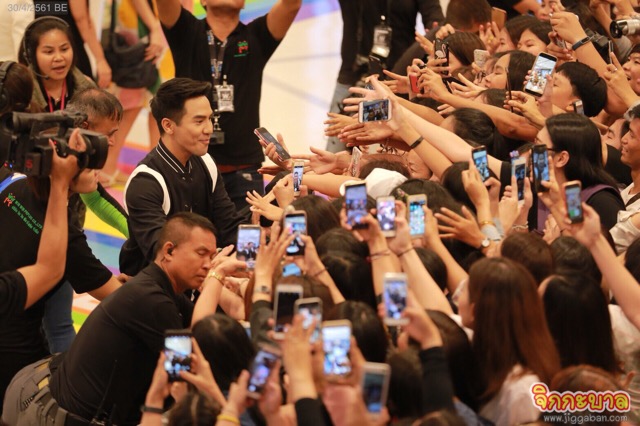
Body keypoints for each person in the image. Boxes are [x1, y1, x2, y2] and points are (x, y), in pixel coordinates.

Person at [3, 212, 244, 425]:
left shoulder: (162, 286)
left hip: (59, 398)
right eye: (201, 254)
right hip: (63, 417)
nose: (208, 264)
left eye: (212, 257)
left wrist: (240, 283)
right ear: (169, 251)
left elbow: (230, 316)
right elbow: (191, 355)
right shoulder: (151, 299)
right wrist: (216, 276)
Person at [156, 0, 302, 210]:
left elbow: (291, 5)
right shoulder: (186, 31)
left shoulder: (256, 36)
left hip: (242, 170)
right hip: (188, 168)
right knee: (189, 231)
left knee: (248, 231)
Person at [120, 78, 247, 276]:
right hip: (157, 288)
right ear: (168, 126)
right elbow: (163, 256)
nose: (209, 129)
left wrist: (257, 251)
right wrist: (218, 266)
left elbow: (229, 226)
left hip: (201, 276)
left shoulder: (206, 162)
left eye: (210, 119)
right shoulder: (145, 183)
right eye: (199, 121)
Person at [18, 16, 96, 113]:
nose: (59, 58)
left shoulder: (87, 87)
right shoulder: (21, 92)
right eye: (49, 52)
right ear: (31, 56)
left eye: (64, 49)